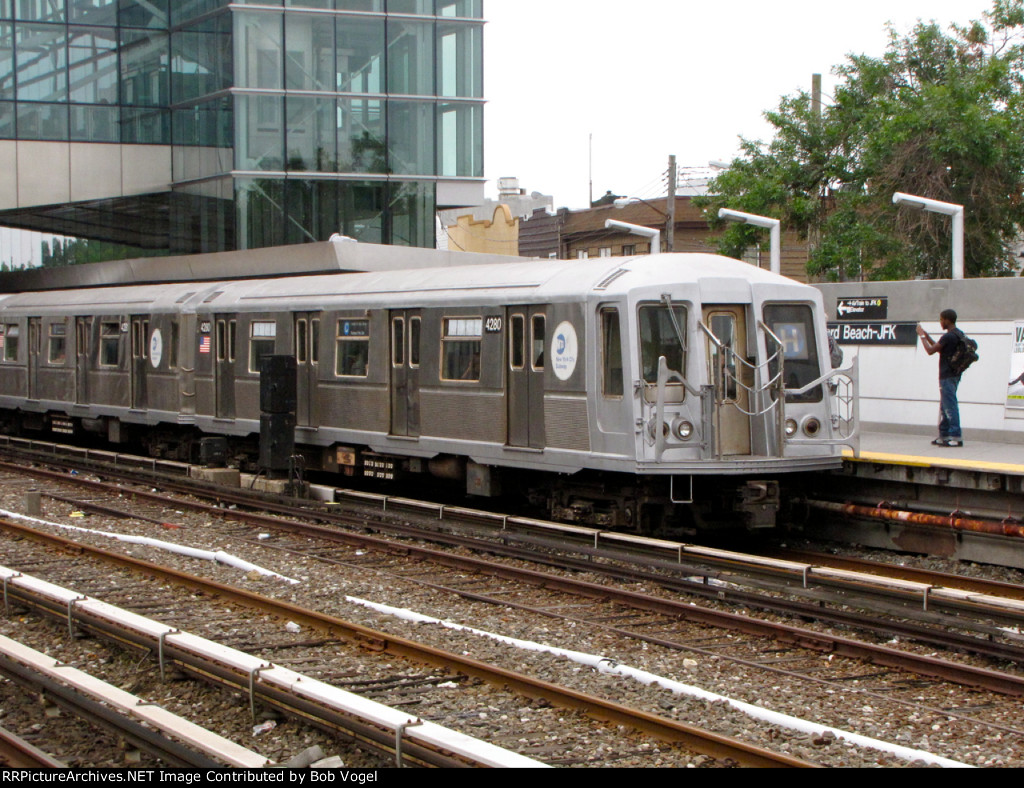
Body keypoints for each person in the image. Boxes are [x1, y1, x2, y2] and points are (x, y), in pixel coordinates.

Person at [917, 310, 964, 448]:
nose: (940, 322)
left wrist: (922, 336)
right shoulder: (958, 334)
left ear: (947, 320)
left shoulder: (948, 336)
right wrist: (927, 336)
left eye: (941, 319)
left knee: (949, 406)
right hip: (955, 375)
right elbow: (940, 348)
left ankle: (955, 437)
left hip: (947, 375)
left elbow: (930, 350)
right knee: (945, 406)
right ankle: (944, 435)